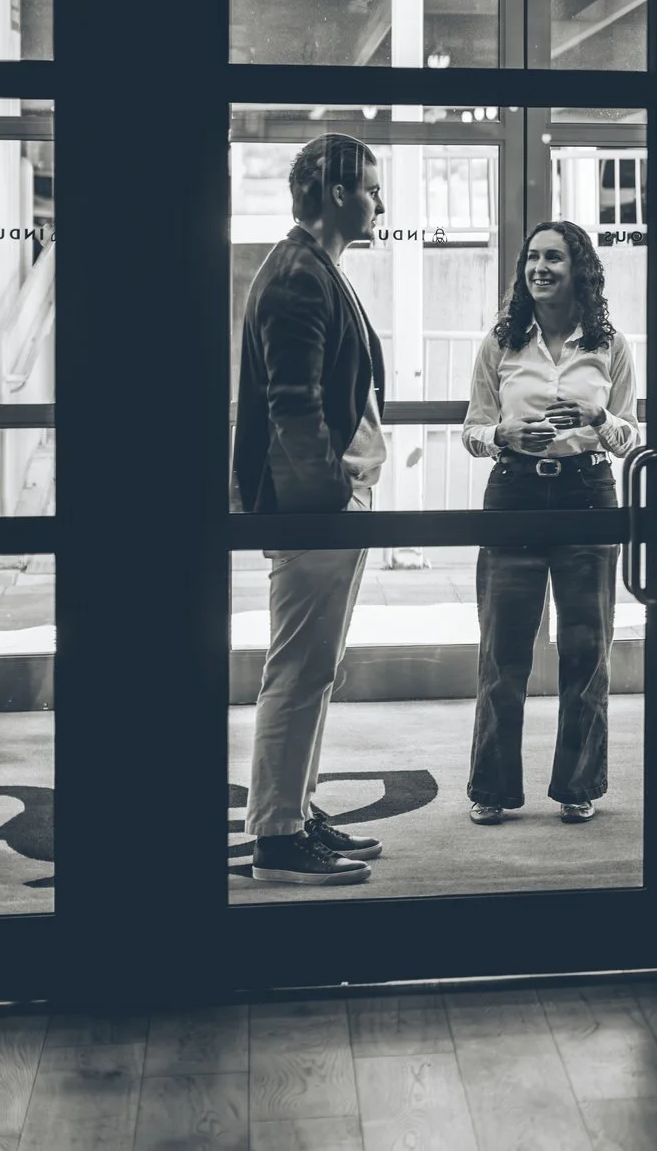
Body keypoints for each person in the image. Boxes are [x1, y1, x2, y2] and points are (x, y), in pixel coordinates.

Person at [232, 133, 391, 886]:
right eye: (371, 187)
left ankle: (294, 809)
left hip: (327, 505)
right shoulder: (299, 275)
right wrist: (330, 496)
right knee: (298, 671)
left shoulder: (311, 266)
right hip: (315, 510)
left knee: (313, 669)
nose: (380, 202)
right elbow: (292, 409)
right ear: (335, 192)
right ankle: (277, 837)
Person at [459, 221, 639, 827]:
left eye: (553, 258)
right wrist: (501, 435)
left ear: (579, 269)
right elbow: (473, 428)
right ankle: (493, 787)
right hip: (512, 493)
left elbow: (629, 435)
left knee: (586, 652)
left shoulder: (609, 344)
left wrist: (598, 413)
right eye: (532, 258)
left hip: (588, 493)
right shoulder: (501, 341)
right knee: (502, 653)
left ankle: (577, 786)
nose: (540, 268)